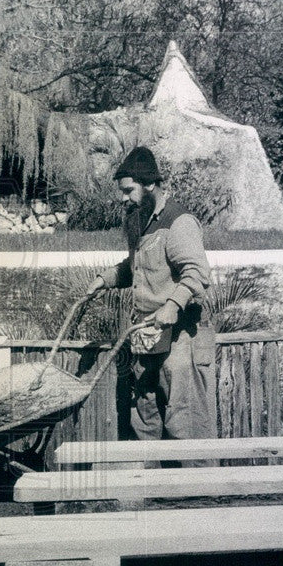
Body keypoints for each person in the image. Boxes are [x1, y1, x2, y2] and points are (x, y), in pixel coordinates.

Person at [86, 146, 217, 444]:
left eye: (129, 190)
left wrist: (173, 304)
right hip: (147, 337)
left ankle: (197, 490)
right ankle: (150, 489)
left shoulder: (178, 222)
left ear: (149, 184)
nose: (124, 198)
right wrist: (103, 280)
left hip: (181, 336)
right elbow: (136, 268)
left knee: (185, 422)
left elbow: (197, 272)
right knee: (146, 419)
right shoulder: (142, 222)